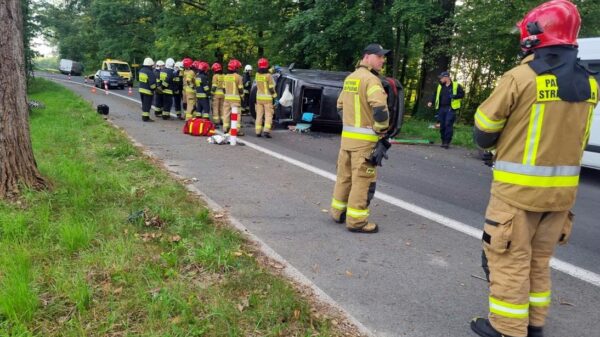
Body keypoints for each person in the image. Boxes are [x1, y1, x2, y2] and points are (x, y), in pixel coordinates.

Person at [469, 1, 598, 337]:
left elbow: (483, 132)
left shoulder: (520, 77)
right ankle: (535, 325)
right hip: (561, 196)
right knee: (539, 262)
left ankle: (508, 328)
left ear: (535, 34)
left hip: (516, 194)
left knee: (510, 261)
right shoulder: (590, 85)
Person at [330, 43, 390, 234]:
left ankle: (338, 212)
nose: (382, 60)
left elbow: (339, 105)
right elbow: (380, 109)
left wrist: (351, 125)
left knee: (344, 177)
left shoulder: (350, 78)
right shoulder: (371, 80)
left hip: (347, 140)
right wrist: (381, 132)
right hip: (364, 144)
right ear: (367, 57)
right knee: (362, 181)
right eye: (379, 56)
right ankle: (356, 222)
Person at [427, 71, 464, 148]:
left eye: (442, 78)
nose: (440, 79)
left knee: (448, 124)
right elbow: (435, 94)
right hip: (441, 108)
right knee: (442, 125)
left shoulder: (456, 85)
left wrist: (455, 96)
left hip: (451, 108)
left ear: (447, 77)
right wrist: (431, 101)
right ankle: (443, 141)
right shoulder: (440, 86)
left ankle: (447, 142)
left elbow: (462, 94)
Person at [254, 58, 277, 138]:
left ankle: (258, 132)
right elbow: (271, 88)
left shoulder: (257, 74)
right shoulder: (269, 76)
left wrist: (272, 69)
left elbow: (264, 73)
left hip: (259, 98)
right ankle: (266, 131)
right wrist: (275, 96)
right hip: (267, 99)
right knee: (268, 115)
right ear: (267, 66)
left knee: (259, 115)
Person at [222, 59, 245, 135]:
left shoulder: (225, 77)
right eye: (238, 68)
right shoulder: (238, 77)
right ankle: (236, 130)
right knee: (237, 115)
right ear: (236, 68)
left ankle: (225, 128)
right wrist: (242, 97)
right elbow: (240, 89)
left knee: (226, 114)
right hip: (235, 100)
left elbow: (223, 88)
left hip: (226, 99)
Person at [138, 57, 157, 122]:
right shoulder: (150, 72)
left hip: (141, 90)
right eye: (152, 65)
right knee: (147, 105)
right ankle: (145, 118)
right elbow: (152, 84)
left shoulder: (141, 70)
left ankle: (144, 116)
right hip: (148, 91)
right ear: (150, 65)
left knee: (144, 104)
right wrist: (155, 89)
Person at [211, 62, 225, 127]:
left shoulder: (215, 76)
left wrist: (211, 93)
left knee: (215, 108)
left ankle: (216, 121)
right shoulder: (224, 76)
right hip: (223, 94)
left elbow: (214, 86)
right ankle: (223, 120)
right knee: (222, 108)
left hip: (216, 94)